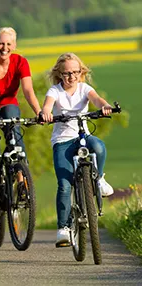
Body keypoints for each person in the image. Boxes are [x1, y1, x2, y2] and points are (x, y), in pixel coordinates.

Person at [40, 52, 114, 247]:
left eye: (75, 72)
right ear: (59, 74)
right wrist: (46, 113)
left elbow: (96, 99)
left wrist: (105, 106)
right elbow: (47, 106)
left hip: (83, 136)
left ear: (81, 72)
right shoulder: (55, 91)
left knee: (98, 146)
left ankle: (98, 179)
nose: (71, 77)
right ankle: (63, 229)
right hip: (62, 141)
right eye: (66, 73)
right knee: (64, 185)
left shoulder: (84, 88)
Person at [0, 27, 42, 185]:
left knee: (14, 131)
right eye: (1, 44)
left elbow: (28, 90)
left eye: (9, 44)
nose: (4, 48)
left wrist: (39, 112)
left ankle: (22, 178)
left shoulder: (20, 62)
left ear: (14, 46)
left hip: (7, 105)